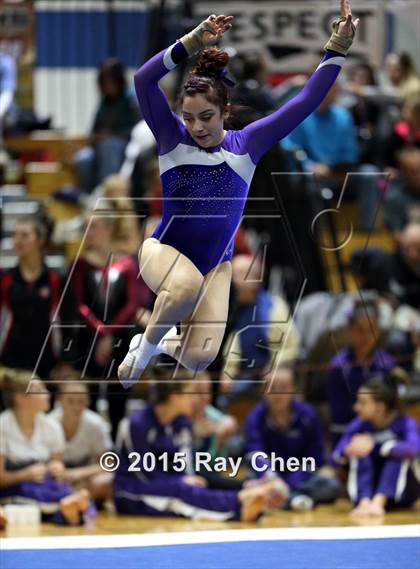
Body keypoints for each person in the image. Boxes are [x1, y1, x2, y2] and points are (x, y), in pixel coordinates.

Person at [119, 2, 359, 387]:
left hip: (216, 264)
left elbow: (304, 102)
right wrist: (193, 40)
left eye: (206, 117)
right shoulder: (170, 138)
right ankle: (144, 349)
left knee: (199, 357)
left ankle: (165, 343)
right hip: (164, 249)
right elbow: (143, 80)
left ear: (224, 111)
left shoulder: (246, 146)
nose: (196, 127)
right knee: (182, 289)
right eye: (188, 117)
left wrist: (338, 47)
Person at [113, 366, 288, 521]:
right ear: (175, 397)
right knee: (181, 493)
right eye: (192, 393)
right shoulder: (135, 424)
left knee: (190, 489)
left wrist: (184, 481)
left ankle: (242, 502)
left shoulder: (182, 424)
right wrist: (180, 482)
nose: (195, 400)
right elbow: (144, 475)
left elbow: (186, 470)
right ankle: (239, 505)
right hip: (133, 492)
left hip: (168, 488)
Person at [70, 208, 145, 440]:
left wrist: (110, 334)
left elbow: (132, 305)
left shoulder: (127, 264)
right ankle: (93, 447)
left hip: (121, 339)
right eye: (85, 228)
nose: (88, 232)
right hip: (88, 338)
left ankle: (119, 447)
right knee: (89, 396)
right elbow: (80, 305)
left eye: (93, 227)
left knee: (118, 397)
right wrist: (101, 333)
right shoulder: (80, 265)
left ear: (110, 228)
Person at [0, 368, 93, 525]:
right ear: (20, 398)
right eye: (40, 390)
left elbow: (57, 464)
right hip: (15, 485)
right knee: (29, 495)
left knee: (59, 491)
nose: (47, 394)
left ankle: (69, 510)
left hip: (44, 482)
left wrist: (58, 469)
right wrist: (24, 474)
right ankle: (67, 513)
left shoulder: (51, 425)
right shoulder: (3, 425)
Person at [245, 364, 341, 511]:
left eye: (283, 388)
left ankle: (284, 499)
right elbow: (255, 453)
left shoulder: (308, 415)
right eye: (272, 388)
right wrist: (272, 478)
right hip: (268, 477)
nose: (277, 394)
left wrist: (291, 481)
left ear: (292, 389)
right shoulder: (255, 417)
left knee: (332, 486)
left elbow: (315, 458)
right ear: (263, 391)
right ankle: (294, 500)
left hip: (301, 477)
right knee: (248, 483)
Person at [332, 369, 420, 517]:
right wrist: (348, 450)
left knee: (397, 456)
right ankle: (364, 502)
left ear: (380, 407)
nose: (356, 407)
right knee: (361, 452)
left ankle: (379, 502)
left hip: (402, 492)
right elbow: (335, 457)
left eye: (362, 403)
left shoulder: (405, 423)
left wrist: (377, 446)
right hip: (368, 490)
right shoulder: (358, 425)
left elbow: (414, 449)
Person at [0, 214, 77, 380]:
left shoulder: (57, 280)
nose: (18, 240)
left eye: (25, 235)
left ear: (40, 240)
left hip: (48, 365)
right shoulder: (5, 280)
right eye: (15, 235)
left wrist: (66, 361)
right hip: (10, 363)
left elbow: (70, 322)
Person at [328, 299, 396, 446]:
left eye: (370, 330)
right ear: (349, 331)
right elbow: (338, 416)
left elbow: (392, 407)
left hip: (383, 434)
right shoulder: (338, 366)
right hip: (350, 436)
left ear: (378, 332)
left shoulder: (387, 364)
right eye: (360, 330)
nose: (366, 337)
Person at [74, 58, 140, 193]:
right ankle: (87, 197)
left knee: (109, 146)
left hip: (124, 147)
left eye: (111, 81)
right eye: (105, 82)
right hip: (100, 146)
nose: (108, 85)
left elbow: (139, 131)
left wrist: (111, 135)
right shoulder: (104, 103)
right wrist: (93, 138)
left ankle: (106, 194)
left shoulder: (131, 100)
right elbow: (94, 129)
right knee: (83, 158)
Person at [50, 379, 113, 502]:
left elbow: (108, 465)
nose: (76, 406)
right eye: (71, 401)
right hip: (56, 479)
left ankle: (75, 503)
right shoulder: (49, 423)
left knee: (105, 481)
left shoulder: (96, 424)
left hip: (85, 480)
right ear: (60, 401)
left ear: (88, 402)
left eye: (81, 401)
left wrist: (77, 474)